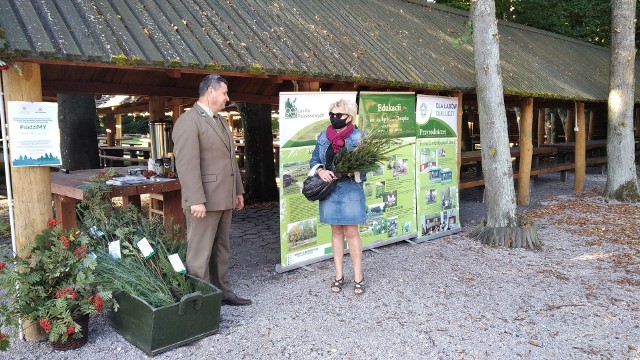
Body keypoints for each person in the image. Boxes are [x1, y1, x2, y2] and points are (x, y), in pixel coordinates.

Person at [172, 74, 251, 306]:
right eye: (224, 93)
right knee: (199, 254)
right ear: (210, 92)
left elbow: (230, 160)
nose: (227, 98)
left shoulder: (221, 121)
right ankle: (202, 302)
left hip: (224, 197)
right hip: (203, 201)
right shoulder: (188, 121)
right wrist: (195, 198)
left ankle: (222, 292)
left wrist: (238, 191)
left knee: (221, 250)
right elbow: (186, 164)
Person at [308, 99, 366, 295]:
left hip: (350, 189)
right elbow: (314, 160)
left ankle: (358, 277)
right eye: (331, 114)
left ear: (349, 117)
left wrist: (351, 170)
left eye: (338, 115)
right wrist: (321, 171)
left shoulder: (359, 137)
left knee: (351, 232)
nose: (334, 118)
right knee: (336, 232)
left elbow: (367, 168)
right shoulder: (324, 136)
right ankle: (339, 275)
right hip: (329, 190)